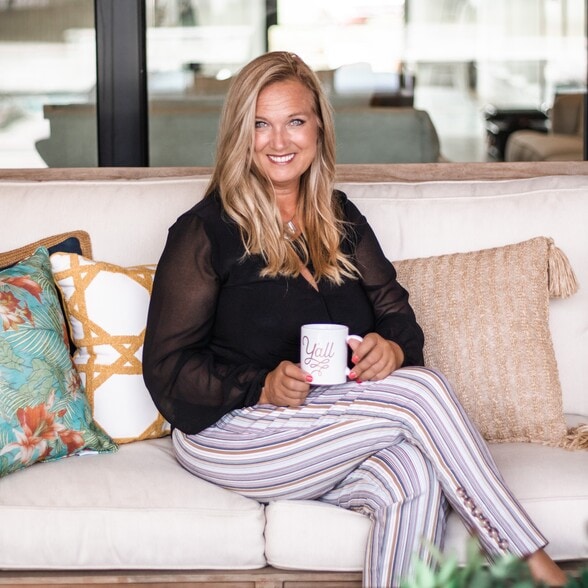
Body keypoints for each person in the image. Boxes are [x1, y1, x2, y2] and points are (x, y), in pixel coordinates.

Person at [143, 51, 566, 588]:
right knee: (423, 390)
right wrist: (262, 385)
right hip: (230, 432)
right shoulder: (204, 231)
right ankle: (535, 568)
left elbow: (397, 314)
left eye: (295, 121)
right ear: (239, 135)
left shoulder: (339, 217)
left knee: (414, 475)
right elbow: (166, 369)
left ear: (318, 127)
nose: (279, 141)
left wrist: (392, 349)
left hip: (322, 425)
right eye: (261, 124)